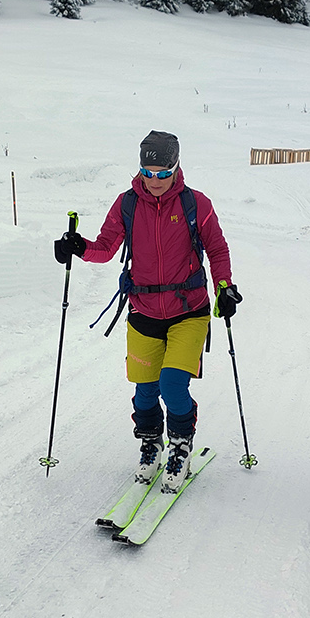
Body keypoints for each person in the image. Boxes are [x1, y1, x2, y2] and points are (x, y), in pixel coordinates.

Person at [54, 130, 241, 492]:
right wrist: (78, 247)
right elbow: (105, 248)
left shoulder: (196, 204)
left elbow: (217, 249)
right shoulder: (127, 204)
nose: (154, 180)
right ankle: (151, 443)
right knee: (144, 390)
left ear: (176, 167)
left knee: (172, 384)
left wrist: (224, 286)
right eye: (147, 173)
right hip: (143, 310)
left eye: (162, 173)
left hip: (189, 310)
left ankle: (180, 443)